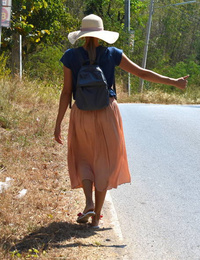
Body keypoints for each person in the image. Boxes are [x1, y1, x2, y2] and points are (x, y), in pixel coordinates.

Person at [54, 14, 188, 228]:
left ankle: (88, 203)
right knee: (104, 161)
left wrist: (58, 122)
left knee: (84, 157)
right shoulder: (112, 54)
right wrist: (173, 81)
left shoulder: (70, 56)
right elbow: (142, 73)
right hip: (107, 111)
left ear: (81, 35)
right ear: (101, 35)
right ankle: (96, 218)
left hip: (81, 112)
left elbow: (66, 91)